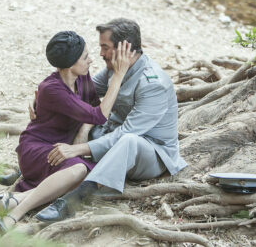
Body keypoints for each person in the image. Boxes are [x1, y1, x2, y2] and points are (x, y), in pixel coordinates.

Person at [35, 18, 188, 222]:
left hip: (151, 153)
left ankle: (75, 199)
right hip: (110, 135)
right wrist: (45, 102)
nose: (100, 54)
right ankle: (38, 164)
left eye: (105, 47)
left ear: (125, 48)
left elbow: (127, 133)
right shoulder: (114, 69)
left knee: (128, 141)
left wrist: (77, 148)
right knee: (75, 114)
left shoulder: (153, 83)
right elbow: (81, 93)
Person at [0, 31, 135, 232]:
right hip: (37, 149)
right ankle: (18, 211)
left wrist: (82, 131)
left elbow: (93, 109)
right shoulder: (53, 89)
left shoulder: (82, 77)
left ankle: (17, 199)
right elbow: (100, 114)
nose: (91, 60)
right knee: (79, 170)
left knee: (92, 178)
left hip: (63, 148)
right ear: (71, 64)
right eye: (85, 57)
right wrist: (119, 75)